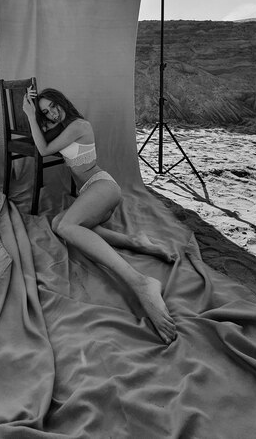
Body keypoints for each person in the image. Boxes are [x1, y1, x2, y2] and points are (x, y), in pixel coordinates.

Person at [22, 87, 177, 345]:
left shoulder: (78, 125)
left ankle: (140, 283)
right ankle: (135, 242)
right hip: (93, 193)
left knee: (67, 227)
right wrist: (36, 113)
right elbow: (42, 139)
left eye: (53, 106)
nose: (51, 113)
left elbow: (43, 149)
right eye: (46, 111)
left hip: (102, 186)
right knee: (59, 223)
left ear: (63, 102)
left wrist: (29, 114)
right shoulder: (62, 129)